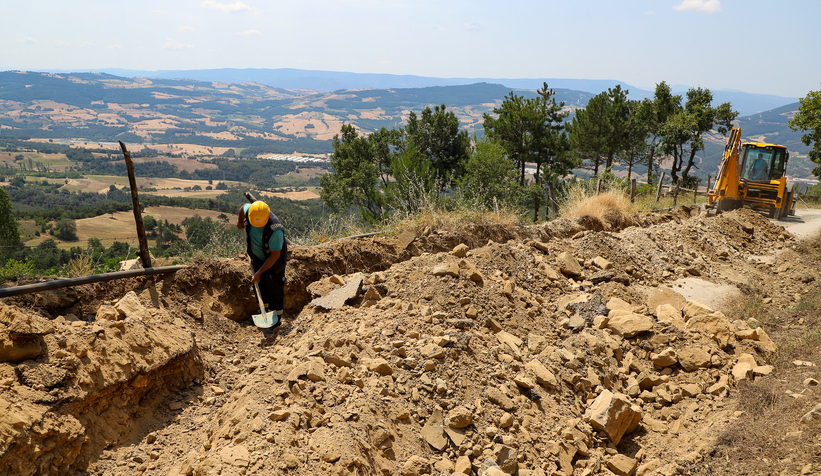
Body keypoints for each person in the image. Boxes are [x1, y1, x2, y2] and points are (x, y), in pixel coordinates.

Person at [236, 200, 288, 330]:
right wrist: (240, 220)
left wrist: (259, 272)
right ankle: (263, 312)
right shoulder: (251, 211)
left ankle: (275, 322)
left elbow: (274, 256)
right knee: (260, 285)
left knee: (275, 288)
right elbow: (243, 208)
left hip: (273, 260)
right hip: (257, 258)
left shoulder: (275, 231)